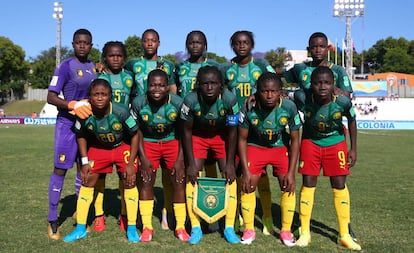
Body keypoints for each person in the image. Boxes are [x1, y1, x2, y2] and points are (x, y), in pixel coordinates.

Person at [63, 78, 140, 243]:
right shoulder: (85, 112)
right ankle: (80, 228)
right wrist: (84, 161)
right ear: (89, 96)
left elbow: (135, 135)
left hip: (121, 147)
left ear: (110, 96)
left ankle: (132, 227)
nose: (99, 98)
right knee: (87, 180)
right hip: (99, 148)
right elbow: (81, 135)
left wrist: (131, 162)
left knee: (130, 181)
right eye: (95, 94)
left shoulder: (121, 112)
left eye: (103, 94)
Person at [294, 66, 361, 251]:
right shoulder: (302, 97)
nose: (322, 86)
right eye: (317, 83)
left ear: (334, 85)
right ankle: (305, 232)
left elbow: (352, 121)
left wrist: (353, 148)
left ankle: (344, 235)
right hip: (310, 143)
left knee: (339, 184)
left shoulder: (343, 101)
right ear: (311, 85)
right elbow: (283, 96)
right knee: (308, 182)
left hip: (336, 143)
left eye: (327, 83)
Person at [221, 30, 276, 235]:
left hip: (257, 125)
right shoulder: (227, 68)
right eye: (237, 43)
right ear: (232, 45)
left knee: (258, 173)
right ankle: (235, 216)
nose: (241, 46)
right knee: (234, 171)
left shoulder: (261, 65)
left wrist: (256, 93)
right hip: (233, 124)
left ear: (251, 44)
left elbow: (276, 83)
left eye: (245, 42)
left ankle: (268, 216)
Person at [237, 72, 301, 246]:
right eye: (265, 91)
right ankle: (249, 229)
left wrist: (291, 172)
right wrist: (245, 170)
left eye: (273, 91)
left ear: (280, 92)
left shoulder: (289, 107)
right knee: (248, 184)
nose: (269, 95)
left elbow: (295, 140)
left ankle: (286, 231)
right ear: (258, 91)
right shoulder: (248, 108)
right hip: (255, 147)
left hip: (280, 148)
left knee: (288, 185)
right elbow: (241, 139)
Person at [180, 65, 240, 244]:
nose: (209, 87)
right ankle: (196, 226)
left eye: (214, 83)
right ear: (198, 85)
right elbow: (186, 132)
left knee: (230, 176)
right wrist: (190, 163)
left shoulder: (229, 99)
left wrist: (230, 163)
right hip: (198, 137)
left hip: (221, 137)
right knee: (192, 175)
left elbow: (232, 131)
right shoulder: (190, 100)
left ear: (221, 85)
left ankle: (228, 227)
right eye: (205, 84)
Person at [46, 28, 96, 240]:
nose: (82, 46)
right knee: (60, 169)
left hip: (87, 126)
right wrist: (71, 104)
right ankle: (52, 219)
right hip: (67, 124)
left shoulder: (94, 67)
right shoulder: (65, 66)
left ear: (91, 45)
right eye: (78, 42)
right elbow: (50, 96)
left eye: (86, 43)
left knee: (82, 168)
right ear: (73, 44)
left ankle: (79, 213)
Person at [125, 29, 177, 229]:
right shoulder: (132, 64)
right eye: (146, 40)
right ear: (141, 43)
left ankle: (167, 211)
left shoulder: (168, 65)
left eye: (153, 40)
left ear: (159, 42)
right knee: (143, 172)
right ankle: (140, 213)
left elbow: (172, 91)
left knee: (168, 173)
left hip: (163, 120)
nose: (149, 44)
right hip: (142, 120)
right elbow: (126, 86)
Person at [130, 69, 189, 242]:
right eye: (153, 85)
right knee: (147, 181)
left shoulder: (178, 102)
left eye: (162, 85)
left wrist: (180, 159)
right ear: (147, 86)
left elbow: (183, 132)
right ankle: (147, 226)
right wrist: (143, 156)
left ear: (168, 86)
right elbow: (137, 131)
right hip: (148, 142)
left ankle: (180, 226)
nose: (157, 89)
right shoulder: (138, 102)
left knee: (178, 182)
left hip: (172, 142)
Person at [175, 30, 221, 231]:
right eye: (191, 42)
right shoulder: (180, 68)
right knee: (191, 169)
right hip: (187, 123)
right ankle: (190, 215)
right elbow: (174, 91)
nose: (195, 45)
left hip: (212, 125)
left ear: (205, 45)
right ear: (186, 45)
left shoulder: (213, 67)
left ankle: (212, 212)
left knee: (211, 168)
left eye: (199, 42)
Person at [91, 41, 136, 232]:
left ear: (124, 58)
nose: (115, 59)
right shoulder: (98, 77)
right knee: (98, 177)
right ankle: (99, 215)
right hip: (100, 132)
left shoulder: (129, 77)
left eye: (119, 55)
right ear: (104, 58)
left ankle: (125, 215)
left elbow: (134, 98)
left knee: (124, 175)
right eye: (111, 55)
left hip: (124, 131)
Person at [283, 32, 353, 99]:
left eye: (322, 46)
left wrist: (335, 93)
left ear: (327, 49)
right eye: (314, 47)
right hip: (309, 110)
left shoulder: (338, 70)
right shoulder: (300, 68)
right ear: (309, 49)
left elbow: (346, 97)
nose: (318, 50)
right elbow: (279, 75)